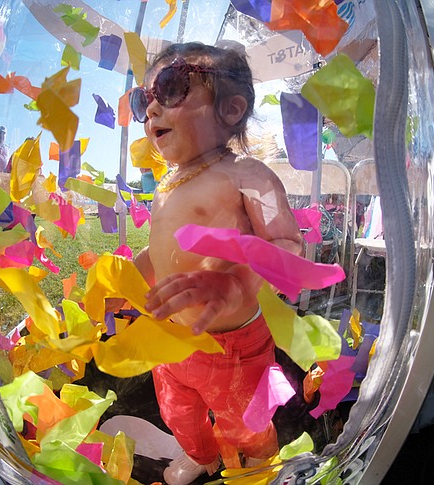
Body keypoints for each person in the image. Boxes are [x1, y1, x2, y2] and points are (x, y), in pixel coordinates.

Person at [122, 42, 304, 484]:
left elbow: (287, 245)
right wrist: (125, 279)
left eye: (168, 88)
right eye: (141, 101)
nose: (150, 112)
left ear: (230, 108)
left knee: (246, 419)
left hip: (234, 347)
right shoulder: (167, 186)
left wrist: (236, 283)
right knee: (177, 409)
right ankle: (200, 453)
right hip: (173, 341)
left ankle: (261, 462)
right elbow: (160, 251)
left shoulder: (248, 175)